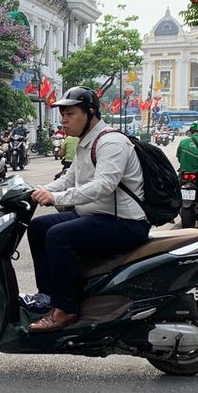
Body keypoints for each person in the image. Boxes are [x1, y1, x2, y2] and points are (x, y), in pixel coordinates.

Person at [25, 87, 150, 332]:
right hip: (96, 215)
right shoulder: (86, 142)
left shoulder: (111, 142)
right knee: (38, 227)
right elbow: (69, 179)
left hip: (124, 223)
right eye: (63, 114)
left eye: (70, 114)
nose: (64, 120)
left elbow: (104, 185)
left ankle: (66, 309)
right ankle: (49, 295)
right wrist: (37, 191)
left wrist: (56, 197)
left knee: (58, 236)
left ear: (90, 113)